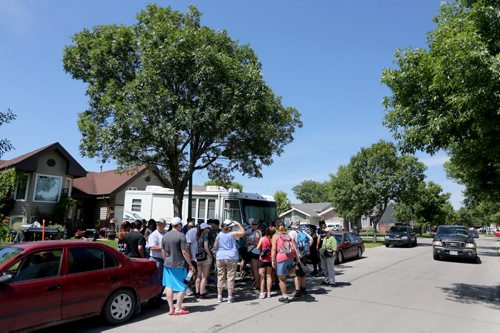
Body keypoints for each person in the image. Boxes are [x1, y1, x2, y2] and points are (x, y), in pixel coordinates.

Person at [162, 217, 195, 315]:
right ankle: (178, 308)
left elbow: (163, 251)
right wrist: (190, 264)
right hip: (179, 265)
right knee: (183, 286)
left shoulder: (165, 235)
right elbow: (185, 252)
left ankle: (171, 308)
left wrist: (165, 260)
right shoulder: (181, 236)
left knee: (169, 285)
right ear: (179, 225)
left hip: (167, 264)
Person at [214, 219, 245, 303]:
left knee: (220, 277)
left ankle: (219, 296)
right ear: (230, 227)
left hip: (220, 256)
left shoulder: (219, 234)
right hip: (231, 256)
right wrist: (238, 223)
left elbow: (215, 246)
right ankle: (230, 297)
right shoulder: (232, 234)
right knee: (230, 277)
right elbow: (243, 232)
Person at [272, 225, 299, 303]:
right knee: (289, 274)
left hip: (281, 257)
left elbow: (274, 249)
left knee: (281, 279)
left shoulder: (276, 236)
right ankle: (293, 290)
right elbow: (294, 247)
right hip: (290, 257)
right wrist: (297, 258)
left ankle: (285, 296)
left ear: (277, 229)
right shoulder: (288, 236)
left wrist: (273, 260)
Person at [288, 221, 313, 297]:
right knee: (303, 273)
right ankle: (303, 289)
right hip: (304, 255)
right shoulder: (303, 232)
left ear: (292, 226)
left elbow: (291, 242)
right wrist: (306, 249)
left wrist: (295, 252)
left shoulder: (291, 232)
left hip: (296, 256)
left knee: (296, 273)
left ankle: (297, 290)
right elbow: (311, 239)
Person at [148, 218, 168, 304]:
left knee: (163, 280)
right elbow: (152, 247)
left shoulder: (166, 233)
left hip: (165, 259)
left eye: (161, 224)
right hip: (157, 260)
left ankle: (158, 297)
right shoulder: (154, 235)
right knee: (157, 280)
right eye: (158, 223)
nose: (159, 225)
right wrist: (163, 248)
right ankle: (153, 299)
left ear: (164, 225)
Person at [256, 225, 275, 299]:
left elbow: (258, 247)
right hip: (270, 259)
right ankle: (269, 293)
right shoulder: (273, 239)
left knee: (262, 277)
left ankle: (262, 293)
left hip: (262, 259)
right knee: (269, 276)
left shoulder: (263, 238)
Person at [195, 223, 212, 299]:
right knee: (204, 276)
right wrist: (210, 256)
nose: (208, 229)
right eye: (207, 228)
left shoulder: (197, 235)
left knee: (198, 275)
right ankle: (202, 293)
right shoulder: (205, 235)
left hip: (198, 256)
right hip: (205, 256)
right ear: (205, 229)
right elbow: (206, 247)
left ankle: (197, 292)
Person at [246, 218, 262, 290]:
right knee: (252, 269)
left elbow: (258, 243)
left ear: (258, 225)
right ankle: (255, 283)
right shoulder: (252, 232)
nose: (253, 225)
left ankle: (258, 284)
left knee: (255, 269)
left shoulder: (257, 232)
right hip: (250, 252)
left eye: (255, 224)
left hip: (255, 252)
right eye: (252, 224)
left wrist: (250, 242)